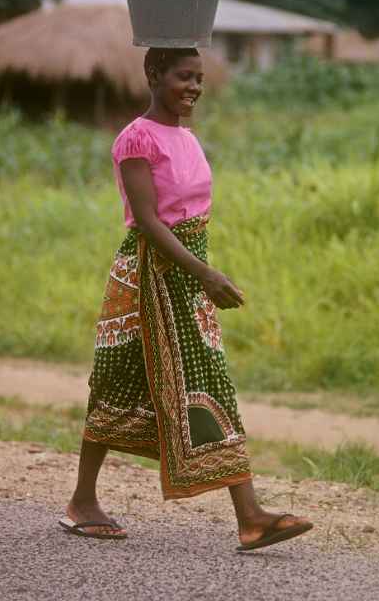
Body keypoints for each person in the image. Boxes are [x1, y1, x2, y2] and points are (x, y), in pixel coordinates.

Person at [60, 47, 313, 551]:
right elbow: (149, 223)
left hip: (185, 279)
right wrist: (207, 274)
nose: (194, 87)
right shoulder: (136, 139)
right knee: (122, 386)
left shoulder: (187, 137)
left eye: (198, 78)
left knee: (194, 381)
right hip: (148, 279)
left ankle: (250, 516)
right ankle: (84, 502)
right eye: (183, 77)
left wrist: (200, 275)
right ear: (153, 74)